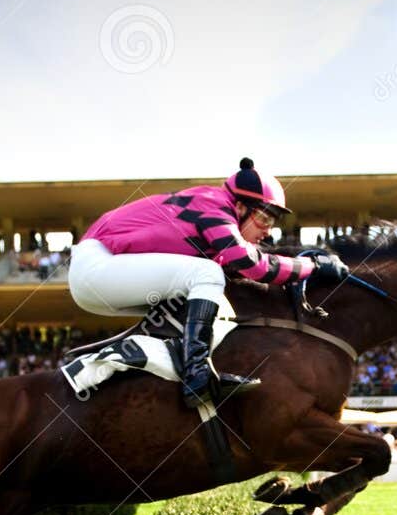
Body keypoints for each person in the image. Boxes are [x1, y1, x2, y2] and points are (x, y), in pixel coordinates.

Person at [69, 157, 349, 408]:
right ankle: (196, 374)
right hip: (96, 266)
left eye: (272, 222)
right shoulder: (213, 206)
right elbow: (252, 265)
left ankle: (173, 367)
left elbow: (243, 269)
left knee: (206, 289)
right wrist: (312, 266)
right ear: (239, 207)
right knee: (207, 275)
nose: (267, 230)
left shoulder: (214, 210)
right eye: (263, 218)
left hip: (99, 273)